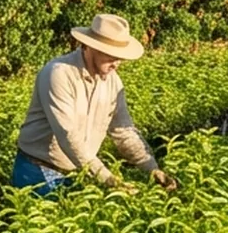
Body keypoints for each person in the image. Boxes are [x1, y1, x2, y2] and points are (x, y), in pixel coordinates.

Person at [13, 13, 178, 196]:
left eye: (120, 57)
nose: (117, 63)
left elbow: (124, 131)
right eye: (111, 56)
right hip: (38, 170)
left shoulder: (113, 82)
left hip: (79, 171)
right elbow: (68, 135)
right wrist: (108, 179)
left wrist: (152, 168)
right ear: (90, 47)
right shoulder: (59, 74)